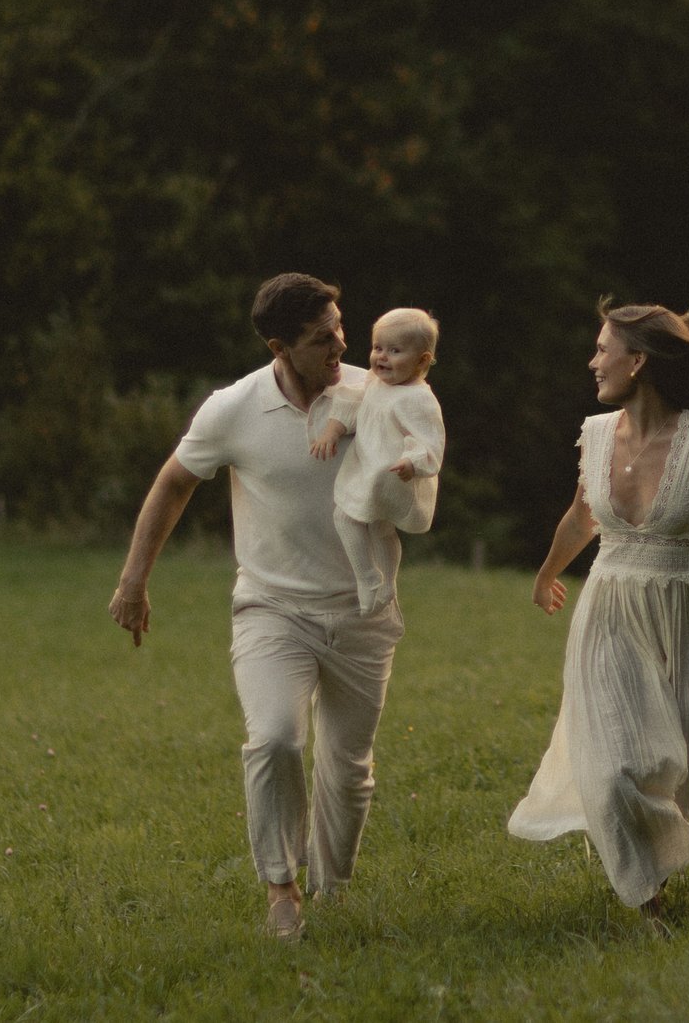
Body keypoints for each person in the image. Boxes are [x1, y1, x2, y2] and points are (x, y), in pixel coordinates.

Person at [106, 273, 400, 942]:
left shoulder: (374, 396)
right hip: (271, 609)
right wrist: (133, 580)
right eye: (323, 337)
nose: (342, 343)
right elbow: (174, 482)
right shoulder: (232, 408)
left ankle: (331, 887)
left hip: (362, 612)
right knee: (274, 738)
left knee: (348, 770)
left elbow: (425, 467)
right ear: (280, 346)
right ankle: (280, 886)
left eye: (341, 328)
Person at [506, 301, 689, 930]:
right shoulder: (595, 434)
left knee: (673, 770)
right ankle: (648, 905)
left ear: (638, 361)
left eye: (602, 349)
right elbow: (582, 514)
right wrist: (546, 571)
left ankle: (656, 867)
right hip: (608, 612)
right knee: (615, 768)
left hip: (686, 617)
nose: (593, 361)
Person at [310, 307, 445, 616]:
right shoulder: (375, 383)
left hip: (392, 475)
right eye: (377, 348)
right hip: (370, 470)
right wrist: (332, 431)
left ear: (422, 360)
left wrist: (413, 462)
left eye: (395, 351)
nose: (381, 357)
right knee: (380, 530)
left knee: (346, 518)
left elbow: (431, 442)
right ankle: (386, 586)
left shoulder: (419, 400)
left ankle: (369, 579)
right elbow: (350, 403)